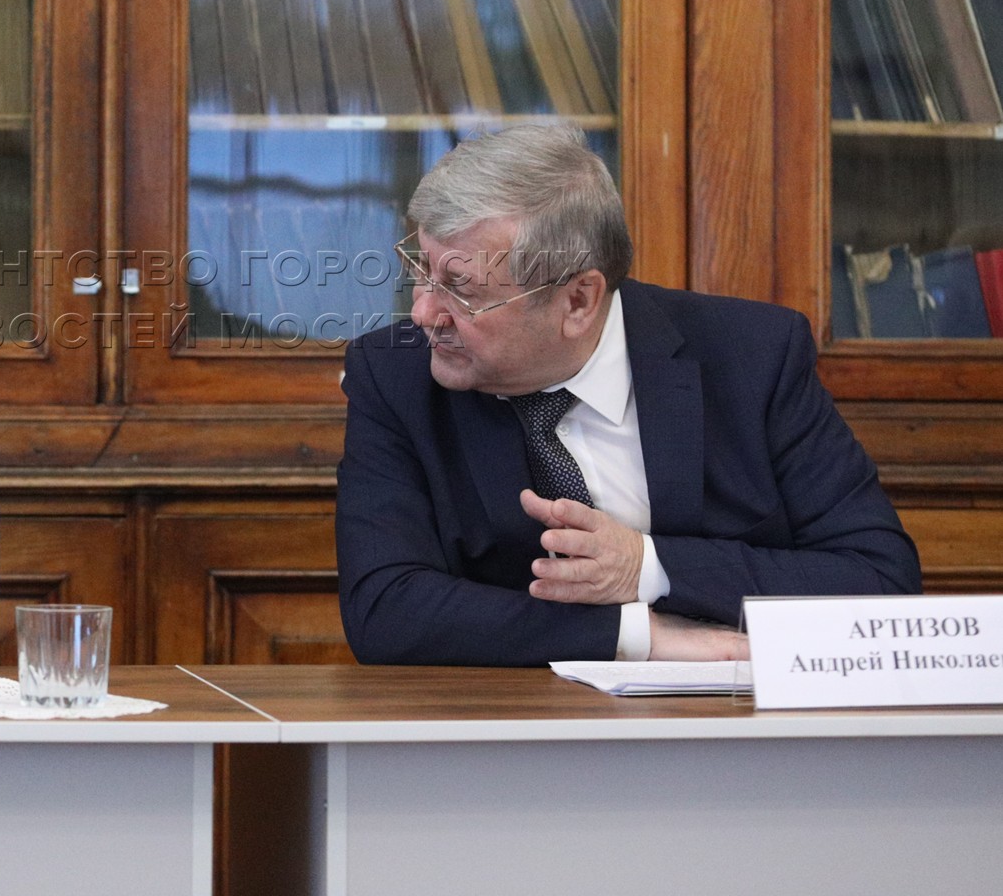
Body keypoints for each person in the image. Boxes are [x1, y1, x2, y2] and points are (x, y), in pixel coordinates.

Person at [337, 124, 921, 666]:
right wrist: (637, 634)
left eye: (459, 289)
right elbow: (385, 609)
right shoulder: (395, 377)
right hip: (513, 725)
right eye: (422, 270)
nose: (423, 313)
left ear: (578, 301)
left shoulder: (752, 357)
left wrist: (649, 567)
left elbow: (880, 581)